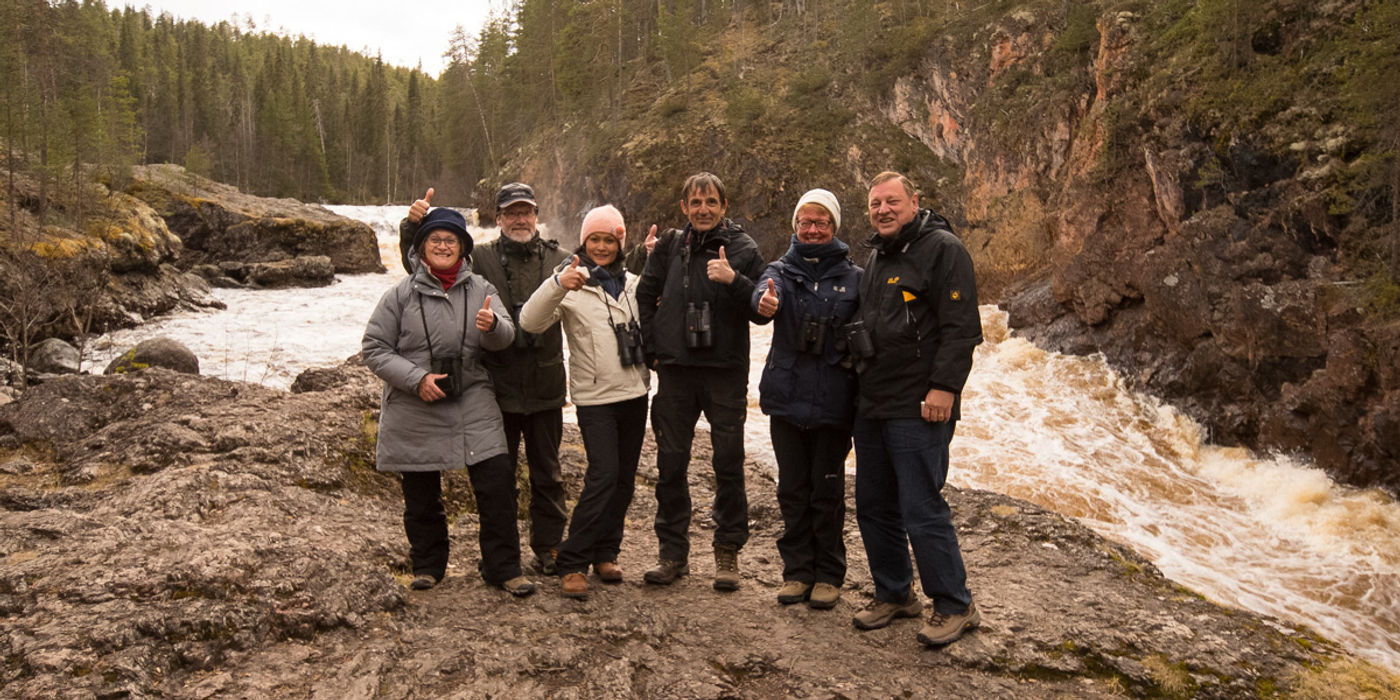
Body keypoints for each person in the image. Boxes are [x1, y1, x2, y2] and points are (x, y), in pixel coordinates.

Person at [362, 206, 536, 597]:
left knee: (497, 486)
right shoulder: (399, 295)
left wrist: (492, 328)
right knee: (421, 493)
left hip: (472, 396)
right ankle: (428, 565)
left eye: (450, 240)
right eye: (435, 239)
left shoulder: (482, 289)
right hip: (415, 403)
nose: (443, 246)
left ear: (463, 248)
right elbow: (373, 347)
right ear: (422, 248)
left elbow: (506, 336)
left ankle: (503, 567)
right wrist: (416, 378)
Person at [400, 184, 570, 576]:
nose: (520, 219)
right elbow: (424, 268)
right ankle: (500, 556)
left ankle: (550, 547)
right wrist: (412, 228)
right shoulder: (478, 258)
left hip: (545, 386)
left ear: (536, 214)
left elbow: (605, 280)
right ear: (498, 218)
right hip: (497, 389)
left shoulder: (561, 259)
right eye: (512, 213)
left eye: (526, 212)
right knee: (499, 479)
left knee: (548, 472)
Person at [849, 171, 983, 646]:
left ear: (914, 202)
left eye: (892, 202)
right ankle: (895, 593)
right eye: (874, 204)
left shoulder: (943, 249)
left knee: (921, 507)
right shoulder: (876, 254)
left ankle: (954, 604)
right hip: (874, 402)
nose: (882, 210)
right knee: (874, 504)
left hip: (920, 403)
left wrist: (944, 388)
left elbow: (962, 326)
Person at [636, 172, 765, 591]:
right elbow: (645, 294)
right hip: (675, 371)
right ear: (684, 207)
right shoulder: (671, 247)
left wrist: (735, 281)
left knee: (728, 465)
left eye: (711, 202)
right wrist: (654, 348)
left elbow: (761, 310)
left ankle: (727, 554)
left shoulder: (743, 249)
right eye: (696, 203)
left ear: (724, 207)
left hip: (725, 372)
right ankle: (672, 554)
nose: (703, 209)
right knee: (670, 466)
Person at [519, 205, 650, 600]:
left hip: (635, 392)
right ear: (584, 242)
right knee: (603, 475)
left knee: (624, 480)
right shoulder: (570, 285)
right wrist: (558, 283)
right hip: (595, 398)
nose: (602, 246)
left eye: (610, 240)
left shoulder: (634, 285)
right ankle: (572, 560)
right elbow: (529, 320)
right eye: (595, 239)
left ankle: (606, 551)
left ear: (620, 243)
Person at [750, 189, 860, 610]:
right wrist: (764, 303)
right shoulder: (779, 271)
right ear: (795, 226)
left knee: (827, 491)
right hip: (786, 401)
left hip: (834, 404)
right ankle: (797, 572)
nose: (813, 230)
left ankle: (829, 575)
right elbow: (759, 297)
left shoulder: (855, 278)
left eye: (821, 223)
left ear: (833, 227)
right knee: (792, 490)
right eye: (805, 222)